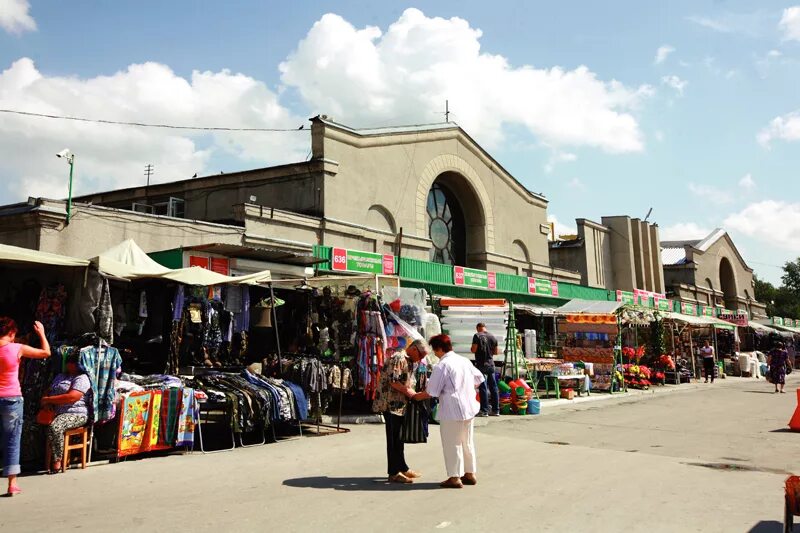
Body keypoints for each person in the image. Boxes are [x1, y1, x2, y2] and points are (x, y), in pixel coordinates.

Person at [413, 334, 484, 489]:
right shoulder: (464, 360)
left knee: (452, 443)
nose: (434, 353)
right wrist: (465, 388)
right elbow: (479, 379)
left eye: (434, 350)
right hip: (469, 406)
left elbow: (432, 391)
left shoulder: (442, 365)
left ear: (438, 348)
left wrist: (415, 396)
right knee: (467, 441)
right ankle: (470, 473)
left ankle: (454, 477)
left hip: (452, 409)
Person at [0, 317, 51, 496]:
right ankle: (12, 484)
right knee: (12, 440)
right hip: (12, 399)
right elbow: (46, 353)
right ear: (12, 332)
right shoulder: (16, 348)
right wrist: (42, 334)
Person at [371, 339, 430, 484]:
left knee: (399, 438)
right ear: (414, 349)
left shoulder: (409, 360)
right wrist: (410, 394)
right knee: (393, 440)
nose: (421, 359)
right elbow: (393, 381)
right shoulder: (398, 358)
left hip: (399, 405)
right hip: (391, 404)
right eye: (421, 355)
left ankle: (402, 467)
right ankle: (393, 472)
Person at [40, 352, 92, 473]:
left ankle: (57, 459)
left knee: (56, 426)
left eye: (71, 363)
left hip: (76, 414)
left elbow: (72, 397)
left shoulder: (82, 378)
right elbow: (48, 391)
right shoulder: (60, 376)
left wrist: (48, 400)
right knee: (30, 425)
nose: (69, 365)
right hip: (56, 412)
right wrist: (47, 403)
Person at [471, 323, 500, 417]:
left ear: (477, 328)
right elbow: (496, 352)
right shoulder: (492, 336)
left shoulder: (477, 336)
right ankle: (496, 410)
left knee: (483, 387)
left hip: (481, 364)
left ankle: (484, 411)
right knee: (493, 387)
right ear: (485, 328)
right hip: (491, 364)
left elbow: (473, 350)